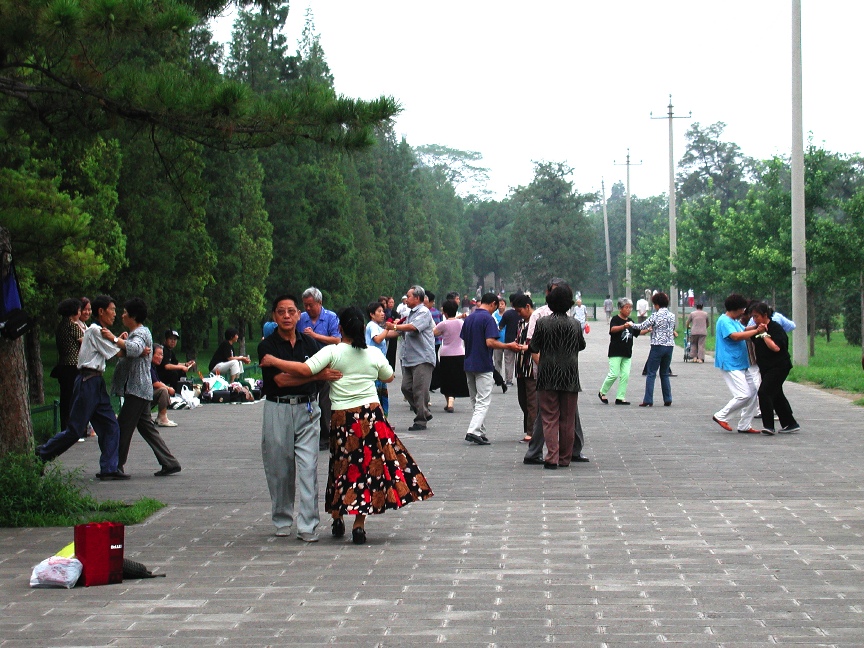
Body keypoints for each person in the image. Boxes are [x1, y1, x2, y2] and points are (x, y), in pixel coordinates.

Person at [264, 306, 433, 545]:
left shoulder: (334, 352)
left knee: (342, 466)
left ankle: (337, 514)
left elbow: (305, 369)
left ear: (341, 328)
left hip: (343, 419)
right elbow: (388, 377)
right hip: (371, 417)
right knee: (366, 468)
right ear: (362, 328)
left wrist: (274, 361)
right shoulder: (373, 354)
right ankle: (359, 524)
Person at [257, 294, 342, 541]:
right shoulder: (267, 346)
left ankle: (308, 525)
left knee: (308, 468)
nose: (286, 316)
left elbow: (323, 370)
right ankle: (282, 518)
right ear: (274, 316)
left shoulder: (309, 344)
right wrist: (315, 376)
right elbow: (281, 381)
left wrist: (313, 376)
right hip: (278, 409)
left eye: (291, 311)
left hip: (307, 409)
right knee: (280, 468)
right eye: (281, 312)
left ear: (298, 315)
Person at [36, 295, 128, 480]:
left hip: (97, 382)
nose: (115, 314)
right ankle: (41, 455)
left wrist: (119, 340)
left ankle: (109, 469)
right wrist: (127, 344)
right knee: (75, 430)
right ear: (101, 311)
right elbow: (117, 353)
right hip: (88, 381)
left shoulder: (99, 331)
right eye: (112, 310)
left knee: (110, 425)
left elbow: (115, 347)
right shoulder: (95, 330)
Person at [112, 298, 181, 477]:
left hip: (137, 388)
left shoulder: (140, 333)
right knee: (146, 428)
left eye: (125, 313)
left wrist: (113, 339)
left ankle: (116, 465)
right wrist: (122, 343)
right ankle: (169, 462)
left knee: (123, 427)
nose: (122, 315)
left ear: (133, 316)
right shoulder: (138, 333)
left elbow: (134, 349)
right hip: (141, 388)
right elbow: (129, 351)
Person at [523, 278, 589, 465]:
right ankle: (565, 458)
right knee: (568, 420)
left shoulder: (543, 323)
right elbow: (581, 345)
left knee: (549, 417)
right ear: (569, 304)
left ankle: (551, 456)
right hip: (569, 376)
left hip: (547, 375)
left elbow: (533, 347)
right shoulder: (575, 324)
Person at [460, 293, 521, 446]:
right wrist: (508, 345)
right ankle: (473, 431)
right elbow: (490, 342)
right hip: (483, 363)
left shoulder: (469, 318)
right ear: (493, 303)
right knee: (483, 400)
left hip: (468, 362)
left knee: (475, 400)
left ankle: (480, 431)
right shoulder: (488, 319)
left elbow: (464, 339)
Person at [711, 294, 766, 434]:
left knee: (754, 392)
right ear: (736, 309)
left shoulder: (734, 321)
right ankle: (721, 415)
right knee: (744, 394)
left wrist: (756, 327)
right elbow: (735, 336)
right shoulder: (724, 321)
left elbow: (742, 330)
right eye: (742, 309)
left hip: (741, 362)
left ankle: (745, 424)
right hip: (730, 362)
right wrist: (756, 331)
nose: (743, 312)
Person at [385, 285, 436, 431]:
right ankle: (424, 412)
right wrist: (380, 336)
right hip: (409, 358)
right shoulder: (409, 314)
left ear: (417, 298)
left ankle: (420, 420)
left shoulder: (424, 312)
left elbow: (412, 328)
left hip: (422, 358)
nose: (406, 299)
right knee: (406, 388)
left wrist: (394, 327)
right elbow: (401, 331)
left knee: (419, 390)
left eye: (409, 296)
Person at [299, 286, 341, 450]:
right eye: (305, 305)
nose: (308, 309)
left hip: (326, 365)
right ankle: (305, 435)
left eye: (311, 305)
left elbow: (337, 340)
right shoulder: (301, 318)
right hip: (307, 365)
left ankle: (325, 437)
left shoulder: (331, 317)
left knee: (325, 403)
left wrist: (315, 336)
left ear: (320, 303)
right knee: (306, 401)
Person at [750, 303, 800, 435]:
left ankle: (769, 426)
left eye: (756, 316)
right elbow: (744, 332)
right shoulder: (757, 328)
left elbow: (776, 348)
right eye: (753, 317)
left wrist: (764, 334)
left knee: (764, 392)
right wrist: (757, 330)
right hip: (766, 367)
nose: (755, 319)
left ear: (765, 315)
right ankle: (790, 423)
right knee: (776, 394)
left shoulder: (775, 328)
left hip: (779, 366)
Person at [629, 292, 677, 407]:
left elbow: (642, 326)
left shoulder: (655, 316)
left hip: (657, 346)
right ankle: (667, 398)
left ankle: (648, 399)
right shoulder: (672, 316)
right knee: (664, 373)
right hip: (669, 346)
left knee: (651, 373)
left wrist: (631, 324)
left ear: (656, 304)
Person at [598, 297, 640, 406]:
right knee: (614, 374)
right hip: (615, 352)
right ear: (620, 308)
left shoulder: (631, 321)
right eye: (626, 307)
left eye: (630, 308)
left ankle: (620, 397)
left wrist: (649, 330)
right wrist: (623, 326)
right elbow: (612, 330)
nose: (629, 310)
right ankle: (602, 391)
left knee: (625, 375)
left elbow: (637, 332)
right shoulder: (615, 319)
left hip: (627, 352)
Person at [52, 298, 83, 430]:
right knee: (73, 398)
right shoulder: (73, 326)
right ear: (74, 311)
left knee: (65, 398)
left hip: (63, 365)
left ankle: (65, 427)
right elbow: (85, 342)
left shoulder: (61, 325)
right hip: (73, 365)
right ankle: (72, 429)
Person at [433, 299, 470, 413]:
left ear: (445, 312)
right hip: (460, 352)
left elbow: (434, 332)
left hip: (446, 353)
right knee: (456, 377)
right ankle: (451, 401)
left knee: (446, 378)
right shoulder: (462, 323)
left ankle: (449, 401)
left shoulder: (443, 324)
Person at [365, 301, 399, 415]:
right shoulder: (372, 325)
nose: (382, 313)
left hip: (380, 364)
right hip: (374, 364)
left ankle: (383, 419)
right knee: (377, 394)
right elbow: (378, 339)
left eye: (383, 311)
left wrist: (398, 328)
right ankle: (379, 419)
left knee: (382, 393)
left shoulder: (377, 326)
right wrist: (387, 328)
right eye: (379, 311)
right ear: (372, 314)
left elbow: (390, 334)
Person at [512, 294, 537, 443]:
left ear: (528, 307)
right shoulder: (521, 323)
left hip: (532, 366)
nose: (518, 313)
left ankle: (531, 432)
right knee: (523, 400)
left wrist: (527, 347)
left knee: (532, 400)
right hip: (521, 366)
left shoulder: (538, 321)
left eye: (519, 310)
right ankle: (531, 427)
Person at [496, 295, 521, 386]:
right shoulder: (522, 313)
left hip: (509, 341)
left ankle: (509, 380)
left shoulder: (508, 314)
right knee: (520, 360)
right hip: (520, 341)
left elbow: (500, 326)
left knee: (508, 361)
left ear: (510, 303)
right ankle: (520, 377)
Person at [150, 345, 178, 427]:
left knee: (164, 388)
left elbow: (157, 381)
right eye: (158, 355)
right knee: (163, 390)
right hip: (143, 395)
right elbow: (155, 383)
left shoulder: (153, 366)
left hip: (148, 394)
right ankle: (162, 418)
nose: (160, 357)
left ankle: (160, 417)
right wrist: (168, 388)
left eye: (162, 355)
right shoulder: (148, 366)